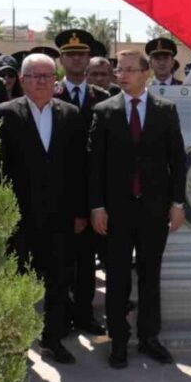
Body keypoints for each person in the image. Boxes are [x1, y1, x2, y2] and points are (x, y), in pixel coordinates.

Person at [0, 54, 88, 365]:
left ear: (56, 80)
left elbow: (81, 168)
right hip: (18, 216)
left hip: (61, 216)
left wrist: (80, 212)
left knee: (58, 280)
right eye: (34, 76)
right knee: (17, 280)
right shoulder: (4, 114)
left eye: (47, 75)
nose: (41, 81)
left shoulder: (71, 114)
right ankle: (15, 343)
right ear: (23, 81)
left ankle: (52, 339)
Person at [89, 50, 186, 369]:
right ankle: (118, 339)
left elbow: (177, 161)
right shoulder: (103, 111)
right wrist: (97, 206)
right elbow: (95, 166)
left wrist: (177, 204)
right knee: (117, 278)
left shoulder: (165, 110)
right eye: (120, 69)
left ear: (146, 73)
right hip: (115, 211)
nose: (123, 74)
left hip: (154, 210)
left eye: (130, 69)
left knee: (150, 275)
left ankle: (149, 337)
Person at [51, 29, 113, 337]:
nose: (76, 59)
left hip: (93, 193)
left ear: (88, 59)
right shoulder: (50, 96)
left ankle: (85, 314)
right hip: (60, 193)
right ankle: (59, 317)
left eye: (81, 54)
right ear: (61, 60)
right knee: (61, 261)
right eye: (70, 54)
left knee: (88, 261)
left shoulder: (103, 99)